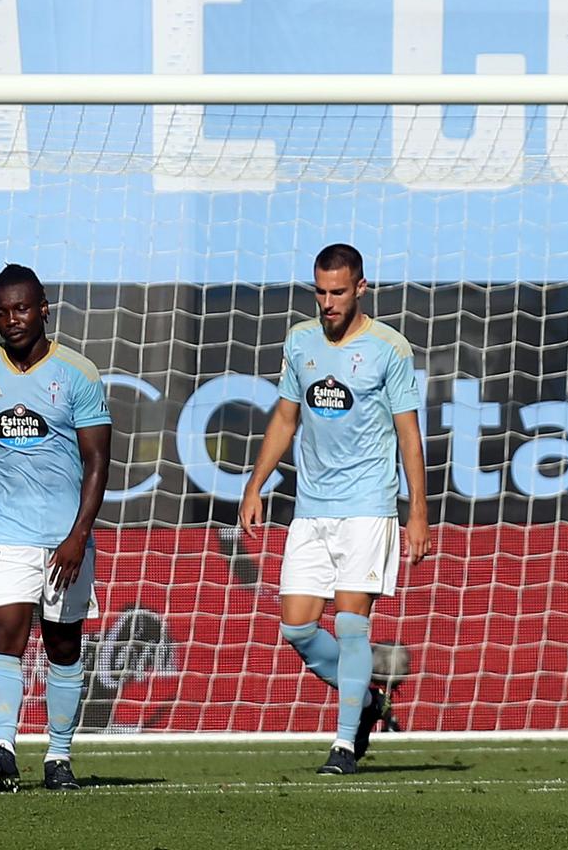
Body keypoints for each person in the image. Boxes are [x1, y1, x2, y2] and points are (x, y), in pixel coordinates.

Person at [240, 243, 432, 775]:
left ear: (361, 289)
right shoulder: (300, 341)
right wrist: (256, 484)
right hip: (311, 508)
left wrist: (418, 511)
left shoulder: (389, 349)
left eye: (338, 292)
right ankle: (368, 702)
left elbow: (408, 434)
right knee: (297, 629)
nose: (327, 303)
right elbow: (285, 416)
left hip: (369, 507)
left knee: (351, 625)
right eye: (320, 292)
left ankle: (344, 744)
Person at [0, 264, 111, 793]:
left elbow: (97, 460)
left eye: (22, 309)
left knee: (61, 645)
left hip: (64, 539)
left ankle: (58, 757)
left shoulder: (78, 373)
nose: (12, 320)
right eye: (2, 312)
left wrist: (79, 534)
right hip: (4, 534)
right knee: (4, 633)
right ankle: (4, 749)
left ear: (43, 308)